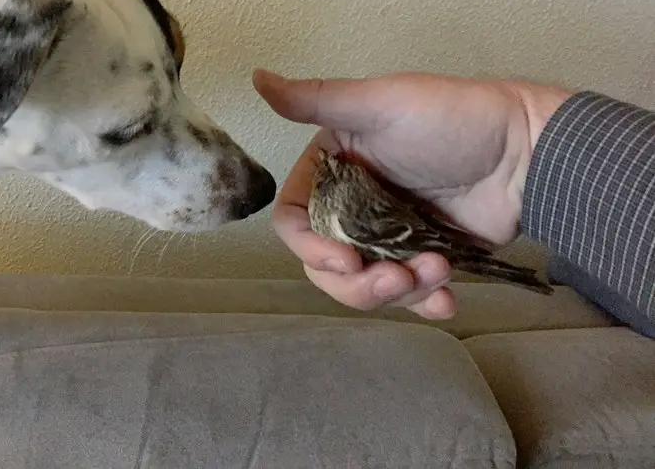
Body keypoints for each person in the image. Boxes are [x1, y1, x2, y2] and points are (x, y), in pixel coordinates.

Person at [252, 68, 655, 337]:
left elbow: (400, 232)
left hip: (424, 236)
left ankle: (512, 270)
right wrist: (524, 143)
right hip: (428, 232)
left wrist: (525, 142)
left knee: (436, 268)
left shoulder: (346, 215)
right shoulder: (344, 207)